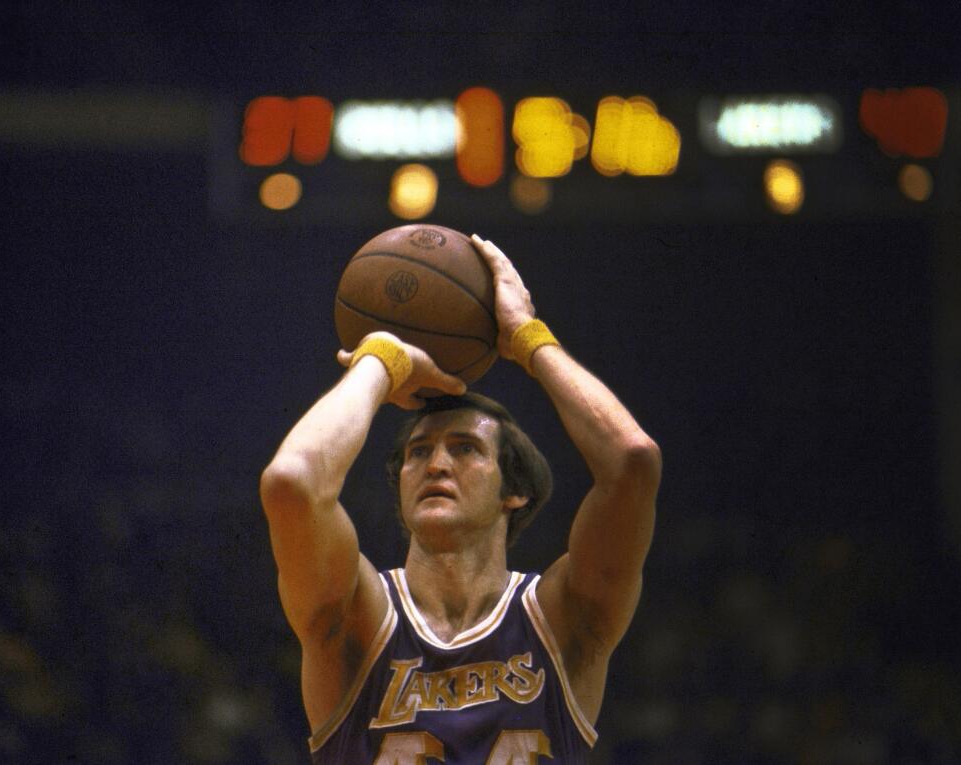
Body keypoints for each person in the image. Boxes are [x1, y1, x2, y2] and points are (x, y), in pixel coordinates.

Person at [260, 234, 661, 763]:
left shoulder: (562, 618)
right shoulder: (358, 616)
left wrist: (527, 337)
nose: (437, 464)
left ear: (513, 492)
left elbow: (633, 462)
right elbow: (291, 482)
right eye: (418, 452)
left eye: (466, 448)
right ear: (400, 484)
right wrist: (383, 359)